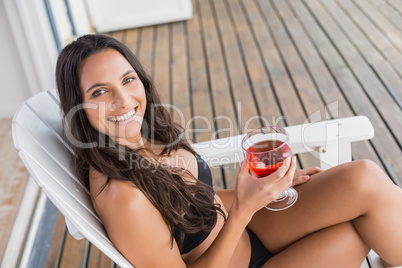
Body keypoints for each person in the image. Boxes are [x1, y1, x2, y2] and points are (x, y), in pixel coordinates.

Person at [55, 34, 402, 268]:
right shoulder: (124, 198)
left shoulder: (138, 137)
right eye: (100, 92)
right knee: (361, 226)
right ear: (79, 105)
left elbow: (193, 197)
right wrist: (245, 208)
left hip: (251, 226)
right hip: (244, 253)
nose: (124, 100)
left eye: (127, 80)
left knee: (363, 178)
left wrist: (268, 190)